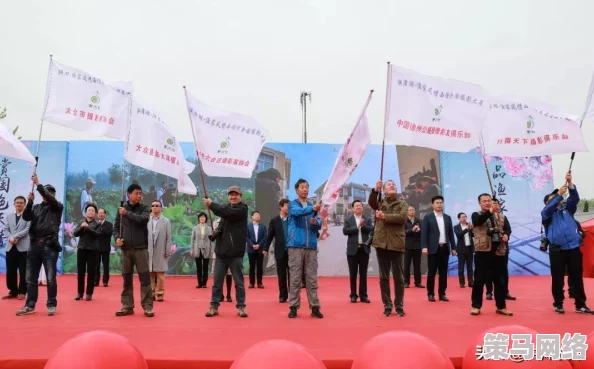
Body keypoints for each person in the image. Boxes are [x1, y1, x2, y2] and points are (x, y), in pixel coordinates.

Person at [542, 171, 593, 315]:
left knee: (577, 277)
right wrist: (558, 195)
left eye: (558, 198)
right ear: (548, 203)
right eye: (553, 199)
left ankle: (580, 305)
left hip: (573, 248)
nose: (558, 201)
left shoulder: (567, 209)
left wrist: (570, 185)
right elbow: (549, 208)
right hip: (557, 249)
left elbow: (574, 198)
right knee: (557, 278)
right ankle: (558, 303)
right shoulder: (546, 214)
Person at [16, 173, 64, 316]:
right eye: (46, 192)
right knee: (30, 279)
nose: (47, 194)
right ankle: (30, 305)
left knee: (50, 278)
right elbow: (26, 217)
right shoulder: (36, 207)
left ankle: (51, 304)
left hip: (49, 246)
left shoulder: (57, 207)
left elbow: (49, 197)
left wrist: (38, 184)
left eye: (50, 192)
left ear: (53, 195)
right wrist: (29, 203)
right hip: (34, 246)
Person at [204, 186, 249, 318]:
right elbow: (222, 225)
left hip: (235, 253)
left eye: (236, 195)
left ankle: (241, 306)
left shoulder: (242, 209)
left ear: (240, 196)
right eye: (231, 195)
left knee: (239, 283)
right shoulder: (226, 209)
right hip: (221, 253)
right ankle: (214, 306)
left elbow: (227, 212)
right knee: (217, 283)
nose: (233, 197)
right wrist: (215, 234)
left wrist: (211, 204)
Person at [368, 179, 408, 317]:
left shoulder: (402, 203)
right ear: (384, 190)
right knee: (384, 277)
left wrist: (385, 216)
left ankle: (399, 305)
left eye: (394, 184)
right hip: (381, 243)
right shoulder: (380, 202)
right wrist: (375, 190)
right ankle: (387, 304)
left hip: (397, 243)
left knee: (399, 278)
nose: (392, 185)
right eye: (388, 185)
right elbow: (371, 203)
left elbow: (402, 218)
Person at [113, 183, 153, 318]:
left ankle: (148, 306)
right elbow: (116, 228)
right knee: (127, 279)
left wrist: (127, 213)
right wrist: (117, 238)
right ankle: (127, 306)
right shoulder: (121, 209)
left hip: (140, 248)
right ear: (129, 194)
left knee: (145, 278)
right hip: (126, 249)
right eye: (136, 193)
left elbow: (142, 220)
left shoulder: (144, 208)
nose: (139, 196)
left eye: (140, 194)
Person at [470, 193, 512, 316]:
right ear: (480, 203)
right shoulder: (476, 215)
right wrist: (489, 211)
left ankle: (501, 306)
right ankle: (476, 306)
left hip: (498, 250)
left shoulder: (500, 217)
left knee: (500, 280)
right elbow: (478, 221)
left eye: (489, 200)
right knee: (479, 280)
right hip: (483, 251)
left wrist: (506, 235)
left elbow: (508, 229)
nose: (487, 202)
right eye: (484, 201)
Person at [287, 179, 323, 319]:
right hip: (296, 245)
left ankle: (314, 307)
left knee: (312, 279)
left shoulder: (312, 206)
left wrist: (315, 222)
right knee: (295, 278)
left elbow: (318, 223)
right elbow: (297, 213)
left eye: (307, 187)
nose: (305, 189)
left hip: (311, 246)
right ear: (296, 190)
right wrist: (311, 210)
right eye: (302, 187)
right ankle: (293, 307)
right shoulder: (292, 205)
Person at [421, 196, 456, 302]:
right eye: (437, 203)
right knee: (431, 273)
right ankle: (430, 294)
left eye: (441, 202)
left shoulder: (447, 217)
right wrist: (424, 247)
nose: (439, 204)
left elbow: (450, 234)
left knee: (443, 273)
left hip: (444, 248)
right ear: (433, 205)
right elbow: (424, 234)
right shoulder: (428, 217)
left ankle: (442, 294)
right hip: (432, 249)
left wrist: (453, 247)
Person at [342, 200, 373, 303]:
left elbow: (370, 230)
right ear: (352, 208)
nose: (359, 207)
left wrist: (363, 226)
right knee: (353, 274)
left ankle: (363, 295)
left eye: (360, 206)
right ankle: (353, 295)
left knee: (363, 274)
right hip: (352, 250)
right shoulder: (348, 219)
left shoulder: (367, 219)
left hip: (364, 250)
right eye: (357, 206)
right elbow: (345, 231)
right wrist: (357, 227)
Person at [485, 199, 515, 300]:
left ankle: (505, 292)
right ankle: (489, 292)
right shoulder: (486, 217)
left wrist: (506, 234)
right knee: (489, 270)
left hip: (502, 247)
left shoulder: (503, 217)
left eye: (497, 204)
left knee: (503, 271)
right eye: (493, 204)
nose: (495, 206)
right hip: (489, 247)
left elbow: (508, 229)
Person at [3, 196, 30, 300]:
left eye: (21, 203)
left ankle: (22, 291)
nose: (19, 204)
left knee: (24, 271)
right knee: (10, 270)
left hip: (23, 247)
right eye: (17, 202)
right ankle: (13, 291)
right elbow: (5, 229)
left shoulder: (28, 216)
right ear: (14, 204)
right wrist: (10, 238)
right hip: (10, 247)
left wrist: (15, 237)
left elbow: (28, 229)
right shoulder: (9, 216)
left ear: (24, 204)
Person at [264, 198, 291, 303]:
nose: (289, 208)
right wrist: (265, 248)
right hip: (280, 251)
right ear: (281, 207)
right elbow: (269, 235)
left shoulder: (292, 219)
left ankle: (293, 295)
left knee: (293, 275)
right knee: (281, 274)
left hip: (292, 251)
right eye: (287, 206)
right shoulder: (274, 220)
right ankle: (283, 295)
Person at [73, 203, 101, 301]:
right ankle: (80, 293)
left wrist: (87, 228)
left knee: (91, 272)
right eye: (89, 210)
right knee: (80, 272)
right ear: (85, 212)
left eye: (93, 211)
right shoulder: (81, 222)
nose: (90, 212)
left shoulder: (97, 224)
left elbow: (97, 234)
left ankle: (89, 293)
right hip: (81, 249)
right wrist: (82, 227)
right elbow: (75, 233)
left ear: (95, 213)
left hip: (92, 250)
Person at [147, 200, 172, 302]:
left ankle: (160, 293)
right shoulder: (147, 220)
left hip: (161, 249)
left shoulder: (166, 221)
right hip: (149, 249)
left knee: (160, 273)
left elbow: (168, 237)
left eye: (157, 206)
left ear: (161, 208)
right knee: (150, 273)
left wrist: (167, 250)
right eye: (153, 206)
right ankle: (151, 292)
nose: (155, 207)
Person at [191, 212, 214, 288]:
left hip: (207, 249)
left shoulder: (209, 228)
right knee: (199, 267)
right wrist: (192, 249)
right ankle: (199, 283)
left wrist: (212, 250)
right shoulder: (195, 228)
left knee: (205, 267)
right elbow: (193, 239)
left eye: (203, 217)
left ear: (206, 219)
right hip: (197, 248)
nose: (202, 218)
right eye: (201, 217)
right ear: (198, 219)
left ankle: (204, 283)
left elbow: (211, 240)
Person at [404, 206, 423, 288]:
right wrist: (411, 230)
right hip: (407, 246)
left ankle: (418, 282)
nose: (412, 211)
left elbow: (423, 232)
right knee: (406, 265)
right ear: (407, 211)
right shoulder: (404, 221)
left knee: (417, 265)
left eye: (413, 210)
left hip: (417, 246)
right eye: (410, 210)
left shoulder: (419, 221)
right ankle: (406, 282)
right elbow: (402, 232)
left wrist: (419, 231)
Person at [454, 212, 474, 288]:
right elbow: (459, 235)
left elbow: (473, 235)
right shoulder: (456, 227)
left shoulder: (469, 225)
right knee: (461, 267)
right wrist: (467, 229)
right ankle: (462, 282)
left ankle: (471, 282)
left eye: (465, 217)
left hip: (469, 249)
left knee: (470, 267)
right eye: (462, 217)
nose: (464, 218)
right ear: (459, 218)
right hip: (461, 250)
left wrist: (472, 229)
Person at [94, 208, 113, 287]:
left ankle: (105, 281)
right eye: (99, 213)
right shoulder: (94, 224)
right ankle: (96, 281)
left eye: (102, 213)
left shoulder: (109, 224)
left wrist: (100, 227)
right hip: (96, 248)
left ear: (105, 214)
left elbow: (108, 234)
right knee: (96, 266)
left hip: (105, 248)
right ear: (97, 214)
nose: (101, 215)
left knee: (106, 265)